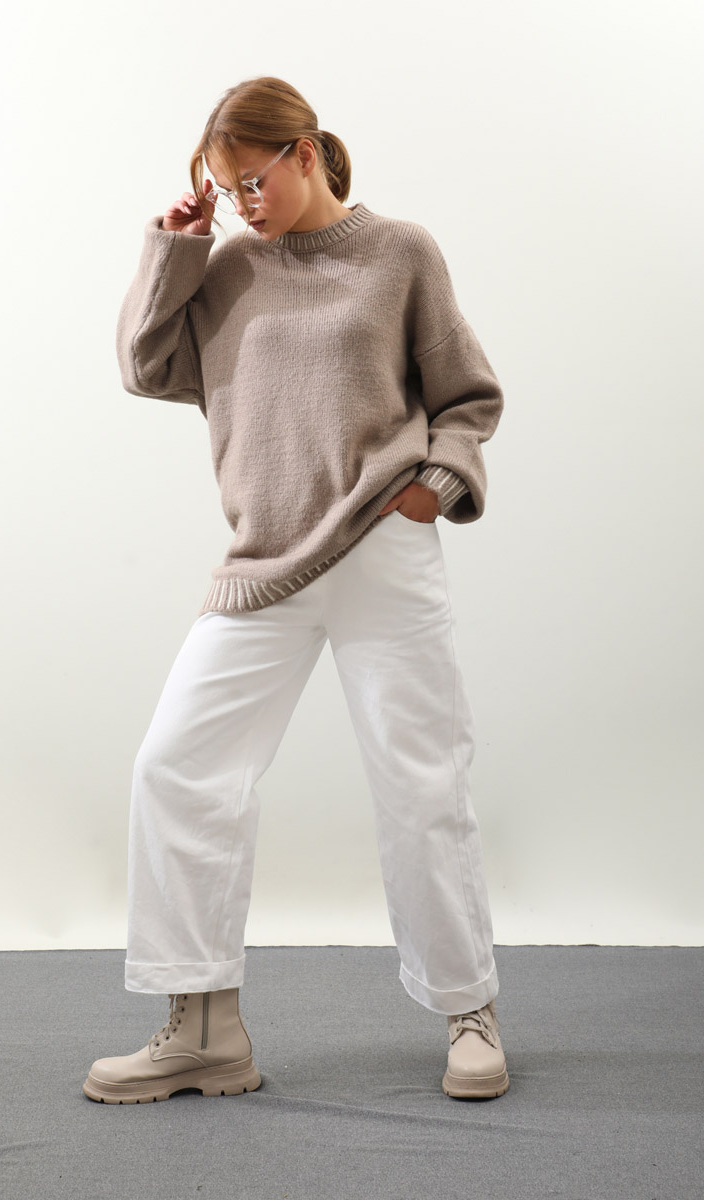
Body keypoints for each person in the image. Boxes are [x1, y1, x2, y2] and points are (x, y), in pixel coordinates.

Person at [83, 75, 508, 1106]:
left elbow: (466, 395)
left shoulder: (399, 253)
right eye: (224, 188)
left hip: (379, 549)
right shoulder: (225, 267)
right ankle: (203, 1028)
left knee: (421, 786)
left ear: (305, 153)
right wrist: (177, 244)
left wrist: (433, 487)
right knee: (175, 770)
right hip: (264, 562)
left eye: (252, 181)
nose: (242, 204)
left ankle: (468, 1012)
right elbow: (144, 364)